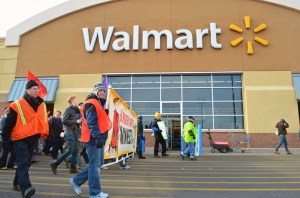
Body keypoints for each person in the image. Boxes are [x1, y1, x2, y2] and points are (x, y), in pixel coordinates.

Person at [2, 80, 49, 198]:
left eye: (38, 89)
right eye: (34, 88)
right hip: (20, 139)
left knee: (27, 163)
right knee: (22, 163)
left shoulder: (39, 104)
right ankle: (26, 188)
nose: (37, 91)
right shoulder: (17, 104)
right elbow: (8, 124)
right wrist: (5, 140)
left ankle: (16, 182)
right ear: (27, 90)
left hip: (33, 139)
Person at [69, 82, 112, 198]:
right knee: (95, 166)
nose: (103, 92)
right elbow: (91, 122)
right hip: (93, 139)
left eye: (104, 90)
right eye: (100, 90)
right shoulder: (92, 103)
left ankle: (76, 180)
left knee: (98, 164)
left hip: (97, 138)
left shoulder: (97, 104)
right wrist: (97, 137)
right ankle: (95, 193)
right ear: (95, 92)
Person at [50, 96, 81, 174]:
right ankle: (55, 163)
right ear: (72, 101)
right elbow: (64, 121)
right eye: (75, 99)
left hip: (75, 132)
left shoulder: (76, 110)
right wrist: (76, 121)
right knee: (71, 149)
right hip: (69, 131)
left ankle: (73, 168)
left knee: (75, 151)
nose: (77, 100)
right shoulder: (69, 109)